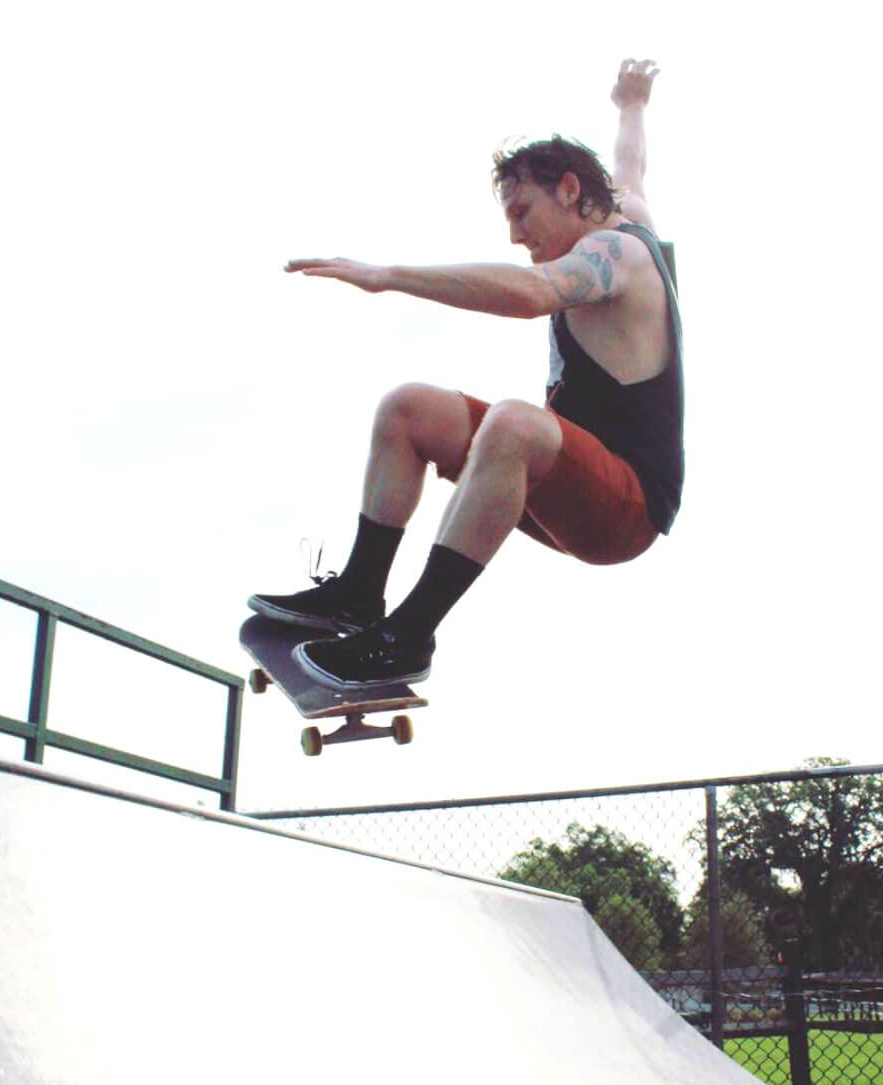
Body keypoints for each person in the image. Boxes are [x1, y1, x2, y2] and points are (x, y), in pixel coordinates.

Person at [249, 58, 684, 689]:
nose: (515, 235)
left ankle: (406, 637)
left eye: (522, 212)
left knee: (515, 423)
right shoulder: (628, 210)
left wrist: (389, 276)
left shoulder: (619, 253)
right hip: (558, 485)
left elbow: (534, 293)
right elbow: (631, 165)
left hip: (625, 510)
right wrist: (631, 104)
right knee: (408, 408)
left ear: (568, 190)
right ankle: (358, 594)